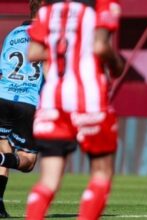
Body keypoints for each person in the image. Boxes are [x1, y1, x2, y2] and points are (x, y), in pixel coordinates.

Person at [24, 0, 124, 219]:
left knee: (48, 181)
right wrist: (117, 64)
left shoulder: (47, 12)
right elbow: (100, 46)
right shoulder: (100, 6)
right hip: (88, 101)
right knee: (101, 173)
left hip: (52, 101)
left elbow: (33, 52)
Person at [0, 0, 43, 217]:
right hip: (28, 103)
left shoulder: (12, 34)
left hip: (2, 96)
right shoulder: (50, 38)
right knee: (27, 162)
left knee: (2, 148)